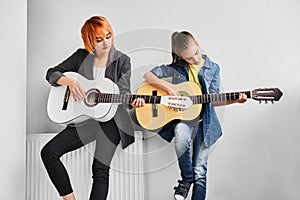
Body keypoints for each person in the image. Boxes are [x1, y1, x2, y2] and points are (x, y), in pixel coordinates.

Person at [41, 16, 145, 200]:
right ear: (90, 41)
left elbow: (124, 93)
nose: (106, 43)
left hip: (112, 120)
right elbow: (51, 73)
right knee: (49, 152)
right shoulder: (81, 56)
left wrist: (133, 102)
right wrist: (69, 81)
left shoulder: (123, 60)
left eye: (108, 36)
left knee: (100, 169)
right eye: (99, 39)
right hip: (86, 121)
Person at [143, 31, 247, 200]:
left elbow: (213, 99)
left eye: (196, 53)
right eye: (189, 58)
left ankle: (192, 181)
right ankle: (186, 179)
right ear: (181, 57)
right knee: (180, 135)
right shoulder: (175, 69)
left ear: (197, 44)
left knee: (200, 171)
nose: (195, 60)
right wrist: (168, 89)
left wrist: (234, 101)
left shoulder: (213, 68)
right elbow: (149, 75)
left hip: (204, 122)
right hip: (184, 119)